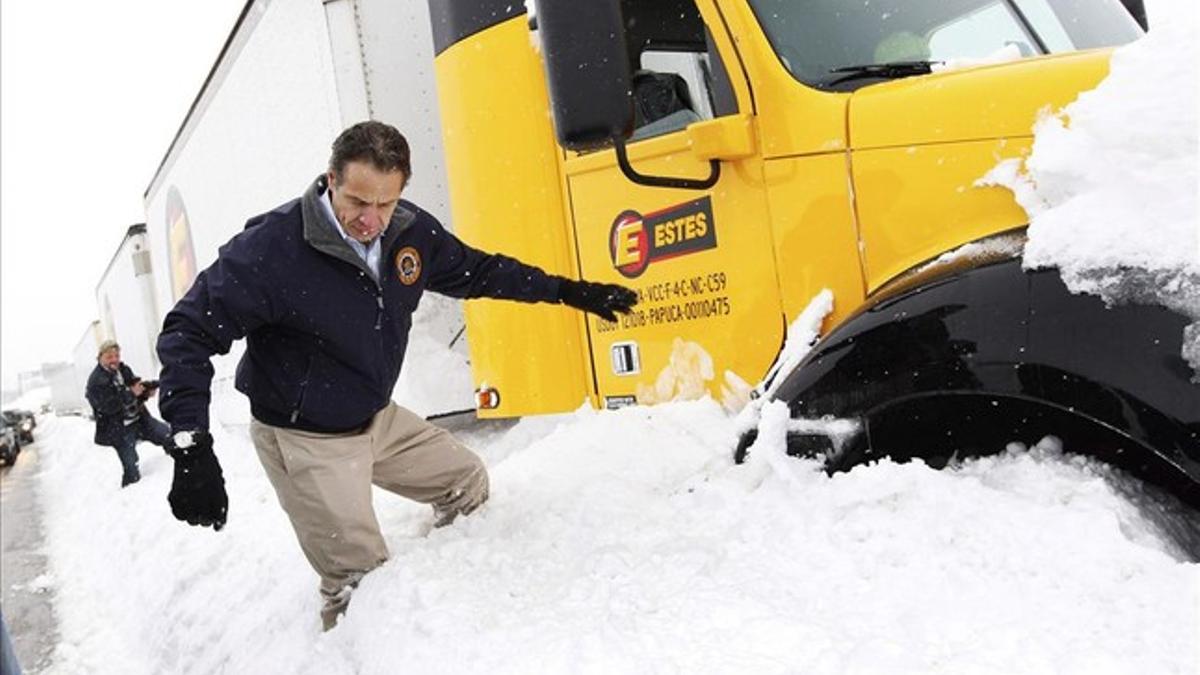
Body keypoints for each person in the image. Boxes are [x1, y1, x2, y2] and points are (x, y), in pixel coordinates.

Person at [156, 120, 638, 630]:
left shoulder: (409, 233)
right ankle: (358, 651)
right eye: (359, 202)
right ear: (331, 180)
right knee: (360, 582)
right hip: (307, 436)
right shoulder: (272, 250)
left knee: (465, 482)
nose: (371, 219)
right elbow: (187, 332)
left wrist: (568, 292)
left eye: (385, 203)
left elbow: (481, 271)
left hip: (375, 416)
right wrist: (190, 446)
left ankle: (456, 589)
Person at [84, 340, 170, 487]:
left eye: (116, 356)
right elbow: (107, 407)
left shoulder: (123, 370)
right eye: (109, 356)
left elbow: (135, 388)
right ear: (100, 357)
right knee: (131, 468)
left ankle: (177, 464)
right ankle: (128, 499)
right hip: (120, 430)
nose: (114, 360)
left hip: (140, 419)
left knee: (169, 435)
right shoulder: (95, 381)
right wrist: (131, 394)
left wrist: (145, 392)